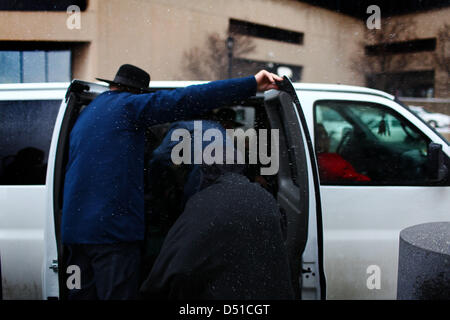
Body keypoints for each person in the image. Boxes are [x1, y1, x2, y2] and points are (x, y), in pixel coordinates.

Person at [62, 63, 282, 300]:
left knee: (80, 294)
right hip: (111, 233)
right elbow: (186, 99)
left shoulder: (88, 113)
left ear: (113, 85)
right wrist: (250, 83)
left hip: (74, 231)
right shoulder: (129, 105)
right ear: (136, 93)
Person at [140, 119, 294, 300]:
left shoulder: (178, 130)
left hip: (208, 183)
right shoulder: (264, 198)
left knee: (197, 226)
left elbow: (159, 157)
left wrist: (152, 185)